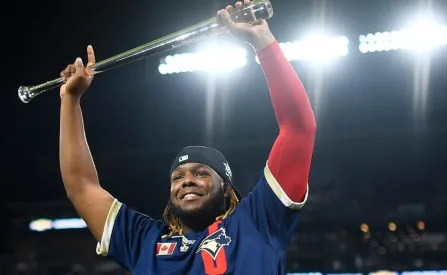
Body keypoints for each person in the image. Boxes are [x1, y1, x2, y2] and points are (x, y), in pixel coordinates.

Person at [59, 1, 317, 274]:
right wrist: (70, 100)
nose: (187, 181)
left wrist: (262, 42)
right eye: (178, 177)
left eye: (201, 173)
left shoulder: (258, 221)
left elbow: (299, 130)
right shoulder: (144, 240)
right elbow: (81, 186)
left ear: (226, 188)